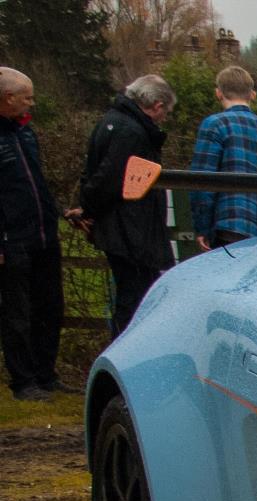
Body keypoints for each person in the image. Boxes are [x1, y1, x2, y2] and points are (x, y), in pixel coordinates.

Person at [78, 75, 176, 337]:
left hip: (120, 227)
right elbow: (111, 178)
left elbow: (93, 171)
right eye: (165, 112)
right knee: (134, 298)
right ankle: (126, 350)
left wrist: (87, 207)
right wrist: (90, 208)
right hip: (130, 229)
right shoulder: (132, 132)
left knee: (131, 294)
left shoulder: (111, 121)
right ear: (156, 105)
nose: (164, 118)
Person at [0, 68, 64, 401]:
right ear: (8, 98)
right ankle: (23, 381)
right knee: (17, 314)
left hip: (44, 235)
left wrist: (58, 213)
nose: (32, 104)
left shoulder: (26, 133)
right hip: (12, 239)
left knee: (50, 307)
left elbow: (36, 182)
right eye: (27, 98)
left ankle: (46, 374)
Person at [188, 66, 257, 251]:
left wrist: (202, 228)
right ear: (252, 95)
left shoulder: (215, 125)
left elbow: (202, 182)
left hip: (228, 227)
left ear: (218, 93)